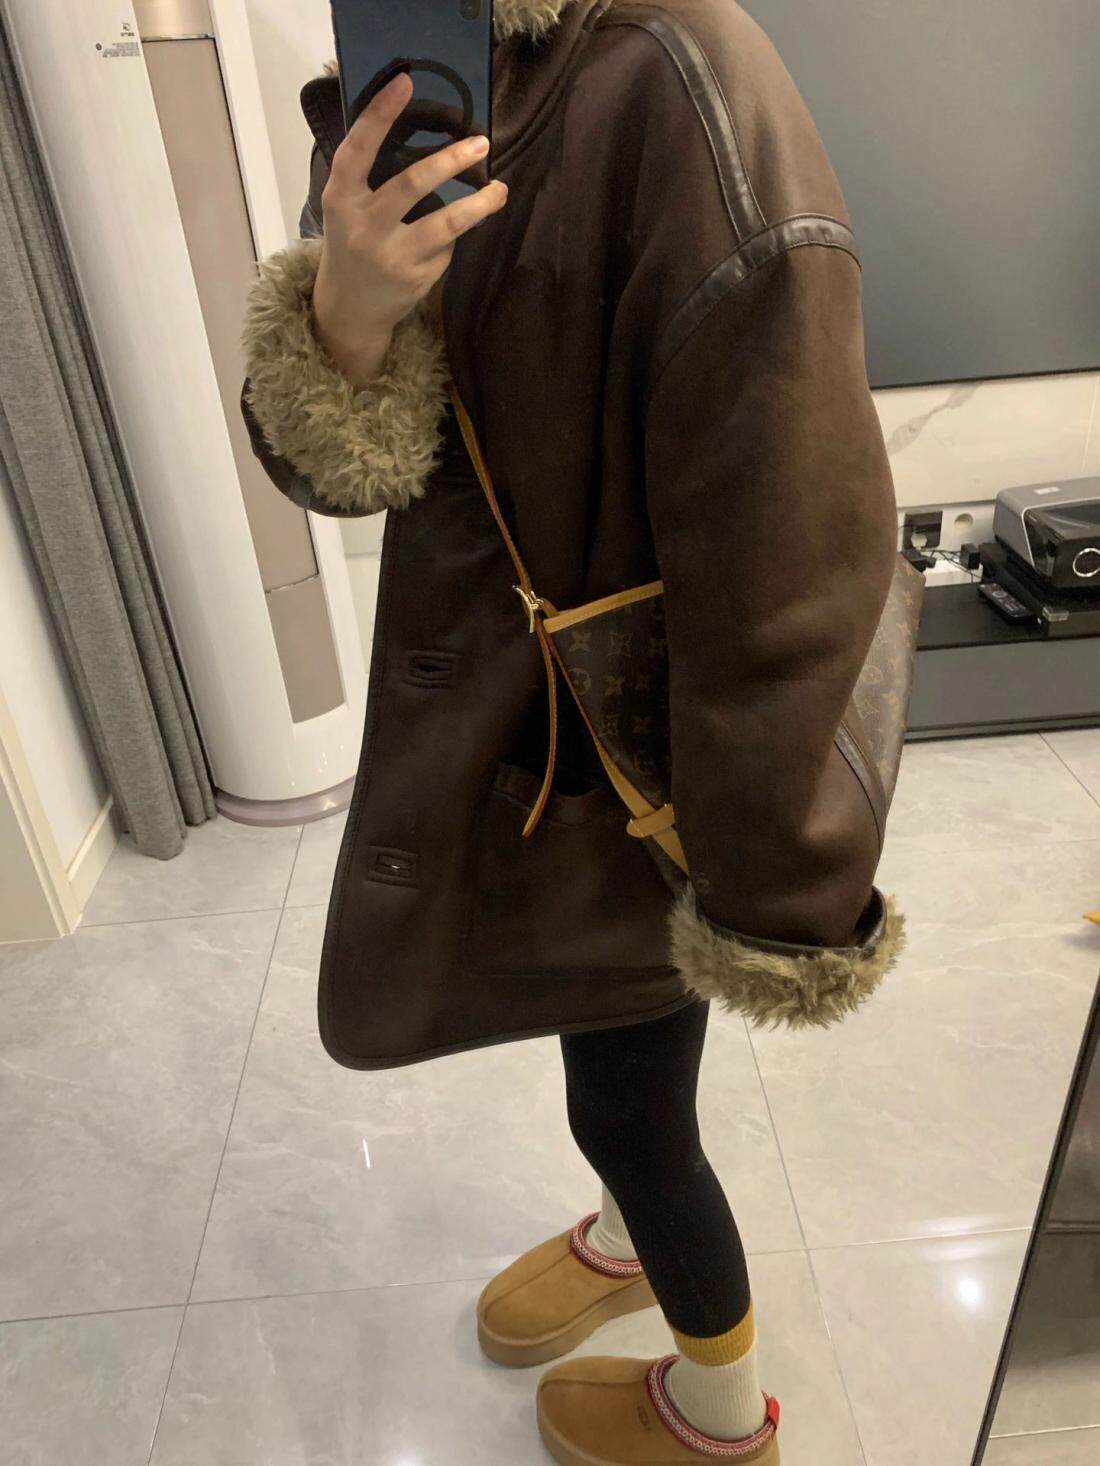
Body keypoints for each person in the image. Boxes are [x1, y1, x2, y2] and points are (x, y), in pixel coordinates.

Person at [240, 2, 912, 1462]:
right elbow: (350, 472)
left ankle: (720, 1415)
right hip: (524, 733)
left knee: (631, 1111)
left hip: (648, 752)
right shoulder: (447, 59)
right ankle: (622, 1244)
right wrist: (346, 314)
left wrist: (771, 883)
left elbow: (795, 525)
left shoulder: (678, 72)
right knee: (611, 1054)